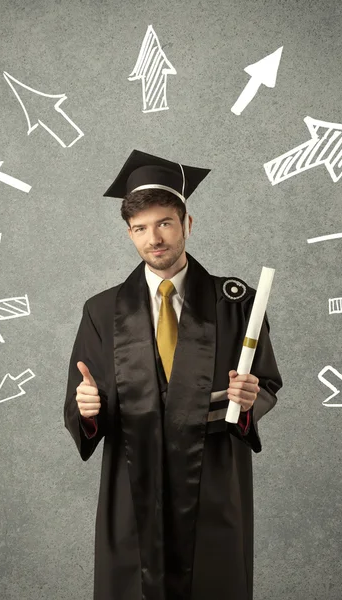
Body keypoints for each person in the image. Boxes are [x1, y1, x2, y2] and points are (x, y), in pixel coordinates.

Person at [64, 149, 283, 600]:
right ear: (129, 234)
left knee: (212, 583)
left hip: (212, 476)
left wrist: (249, 398)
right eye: (141, 229)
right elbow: (83, 400)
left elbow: (266, 383)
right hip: (132, 479)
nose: (154, 238)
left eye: (164, 222)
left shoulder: (236, 301)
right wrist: (86, 411)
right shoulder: (102, 310)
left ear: (187, 223)